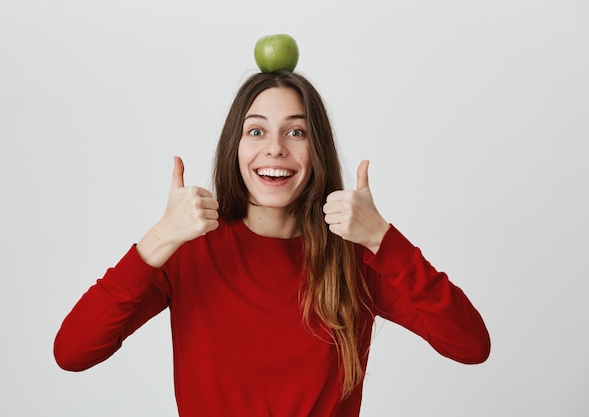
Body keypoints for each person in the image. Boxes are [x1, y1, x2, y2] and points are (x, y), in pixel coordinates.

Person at [54, 70, 490, 417]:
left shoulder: (352, 257)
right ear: (235, 146)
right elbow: (73, 351)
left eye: (296, 132)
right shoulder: (190, 251)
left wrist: (382, 238)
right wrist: (160, 237)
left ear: (316, 149)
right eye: (257, 131)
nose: (276, 148)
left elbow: (470, 346)